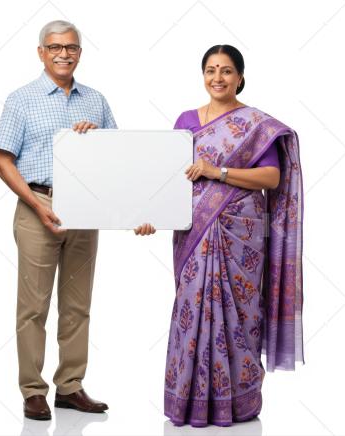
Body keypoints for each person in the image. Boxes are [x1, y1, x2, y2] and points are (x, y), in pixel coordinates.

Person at [134, 44, 305, 427]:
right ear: (203, 76)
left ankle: (239, 402)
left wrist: (218, 172)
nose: (218, 78)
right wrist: (149, 216)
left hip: (241, 233)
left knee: (239, 311)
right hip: (194, 229)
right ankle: (190, 401)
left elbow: (271, 177)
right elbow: (167, 177)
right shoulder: (186, 120)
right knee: (192, 306)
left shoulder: (256, 124)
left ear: (240, 77)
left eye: (226, 71)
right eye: (211, 70)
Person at [0, 20, 116, 421]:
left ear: (80, 52)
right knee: (33, 307)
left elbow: (118, 157)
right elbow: (2, 162)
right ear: (41, 52)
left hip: (85, 210)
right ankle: (32, 390)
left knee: (78, 305)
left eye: (71, 47)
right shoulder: (21, 100)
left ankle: (70, 386)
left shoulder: (95, 101)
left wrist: (97, 138)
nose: (64, 54)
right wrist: (37, 205)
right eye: (56, 47)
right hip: (37, 205)